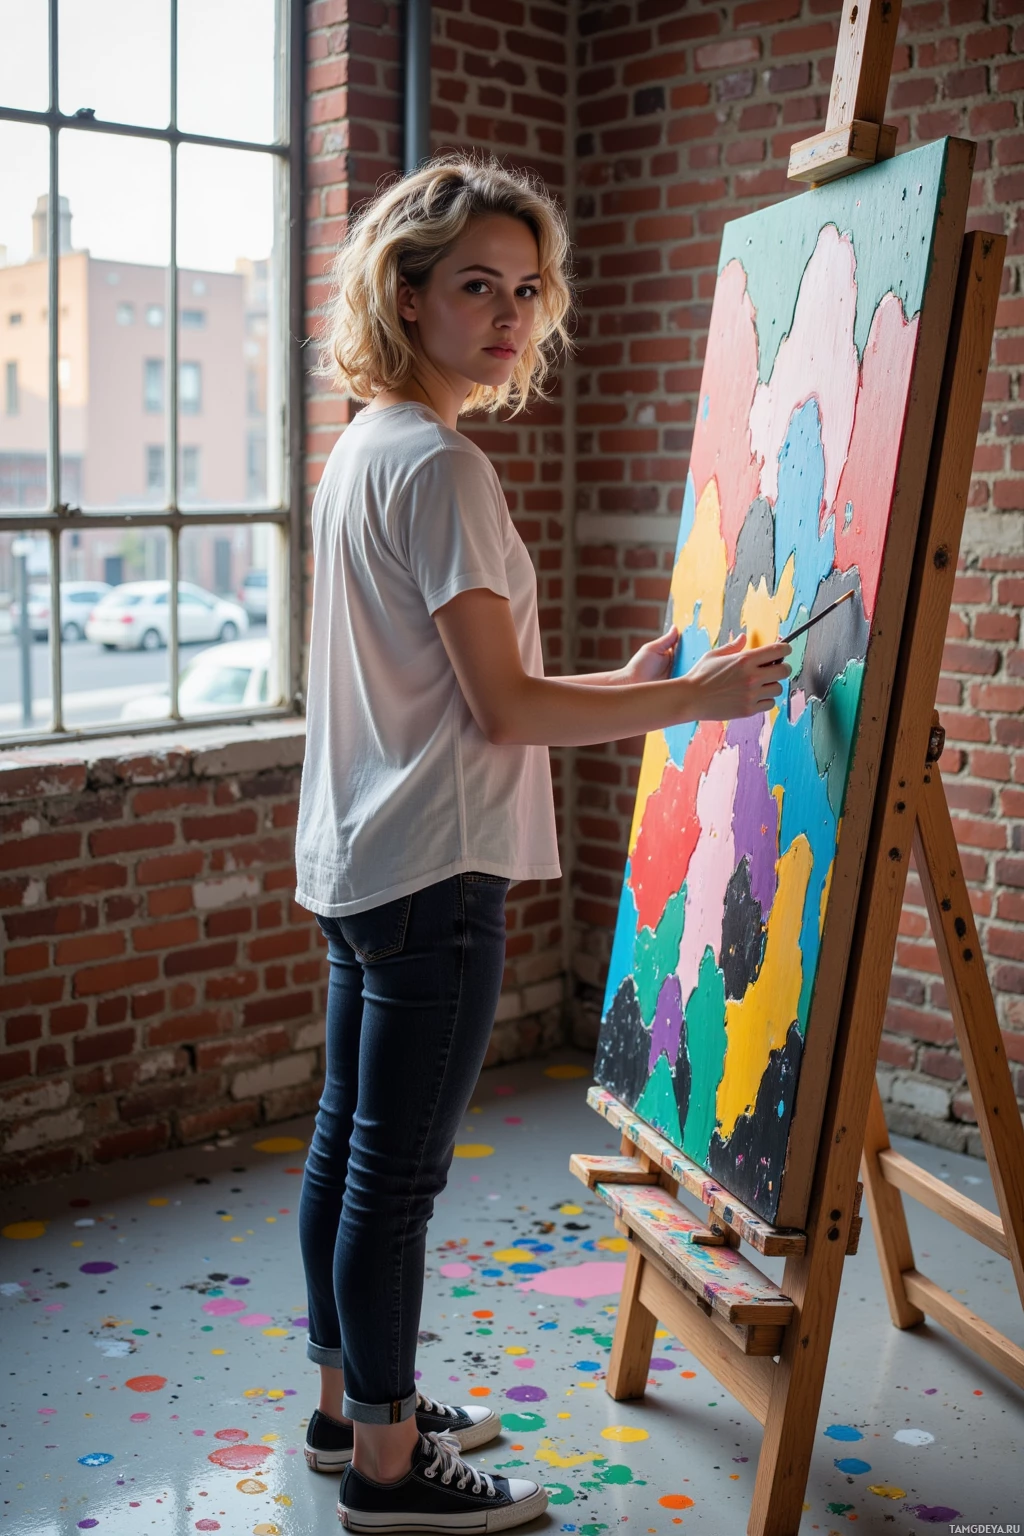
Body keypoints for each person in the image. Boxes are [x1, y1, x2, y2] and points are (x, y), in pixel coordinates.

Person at [292, 153, 790, 1534]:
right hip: (431, 866)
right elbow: (504, 706)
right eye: (475, 287)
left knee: (346, 1147)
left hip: (357, 857)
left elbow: (463, 678)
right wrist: (688, 700)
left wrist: (624, 678)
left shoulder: (367, 446)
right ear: (405, 294)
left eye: (525, 289)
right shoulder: (443, 466)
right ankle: (391, 1476)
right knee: (393, 1179)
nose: (511, 315)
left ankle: (350, 1412)